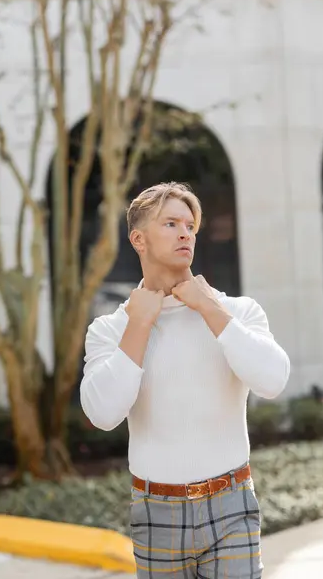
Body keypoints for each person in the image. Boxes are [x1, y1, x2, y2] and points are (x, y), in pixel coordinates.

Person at [80, 182, 290, 578]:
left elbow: (273, 380)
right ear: (138, 239)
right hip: (154, 510)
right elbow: (103, 413)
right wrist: (140, 323)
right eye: (171, 223)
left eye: (190, 225)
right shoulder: (110, 330)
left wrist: (209, 309)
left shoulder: (237, 311)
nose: (184, 233)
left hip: (232, 504)